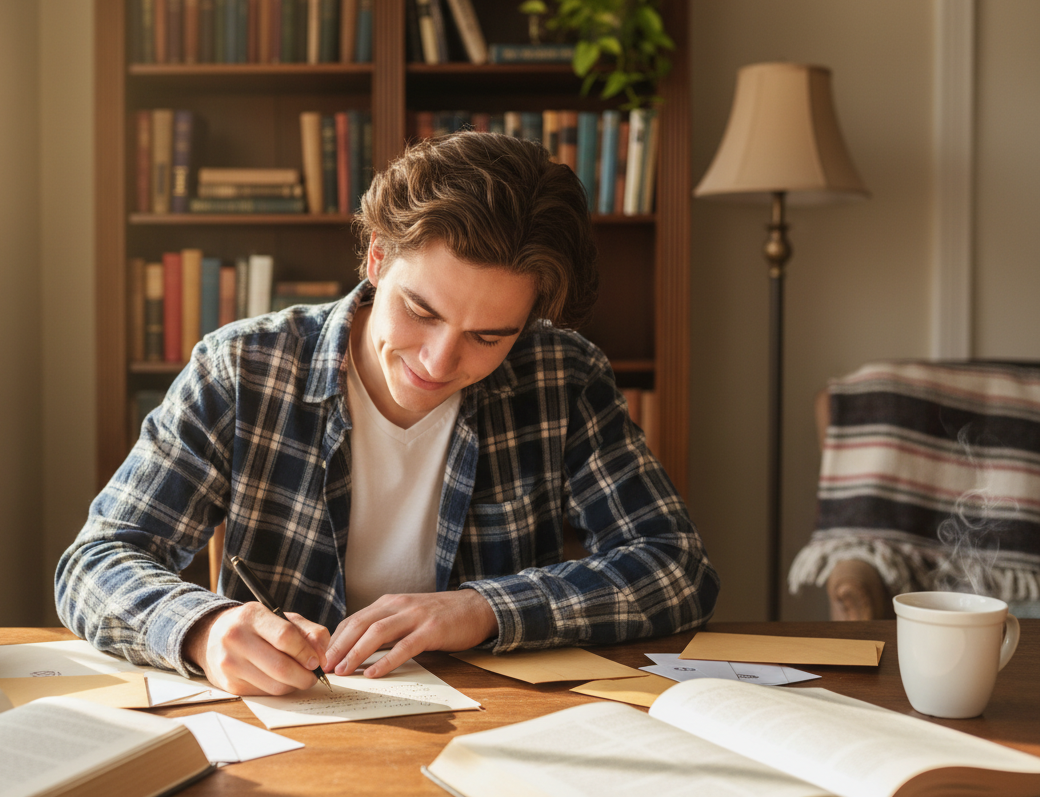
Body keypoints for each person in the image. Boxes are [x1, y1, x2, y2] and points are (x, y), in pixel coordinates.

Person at [56, 131, 718, 696]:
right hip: (288, 727)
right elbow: (96, 560)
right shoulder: (241, 369)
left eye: (490, 336)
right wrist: (200, 628)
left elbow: (675, 566)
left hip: (496, 727)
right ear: (376, 257)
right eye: (421, 311)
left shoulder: (562, 375)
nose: (437, 361)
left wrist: (485, 609)